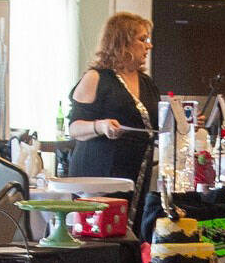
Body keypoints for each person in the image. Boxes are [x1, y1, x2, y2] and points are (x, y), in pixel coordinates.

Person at [66, 11, 160, 187]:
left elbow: (155, 125)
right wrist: (101, 126)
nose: (149, 46)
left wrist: (183, 122)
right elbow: (74, 128)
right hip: (99, 174)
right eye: (143, 39)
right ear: (122, 43)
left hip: (136, 174)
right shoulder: (96, 78)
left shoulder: (147, 83)